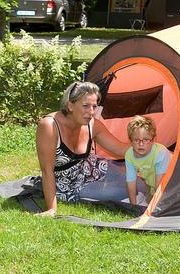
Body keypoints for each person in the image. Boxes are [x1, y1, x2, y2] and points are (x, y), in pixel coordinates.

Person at [35, 81, 130, 217]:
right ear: (70, 105)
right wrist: (52, 209)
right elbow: (46, 170)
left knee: (137, 180)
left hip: (93, 168)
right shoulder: (49, 126)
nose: (91, 112)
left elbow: (120, 149)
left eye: (94, 106)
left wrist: (154, 149)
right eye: (86, 106)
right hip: (70, 186)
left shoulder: (92, 124)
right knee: (124, 189)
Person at [125, 115, 172, 205]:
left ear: (153, 139)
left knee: (162, 207)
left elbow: (159, 186)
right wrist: (133, 207)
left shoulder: (160, 153)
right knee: (148, 202)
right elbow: (131, 183)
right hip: (151, 185)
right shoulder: (129, 155)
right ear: (130, 140)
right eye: (136, 140)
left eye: (146, 139)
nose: (141, 144)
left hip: (169, 186)